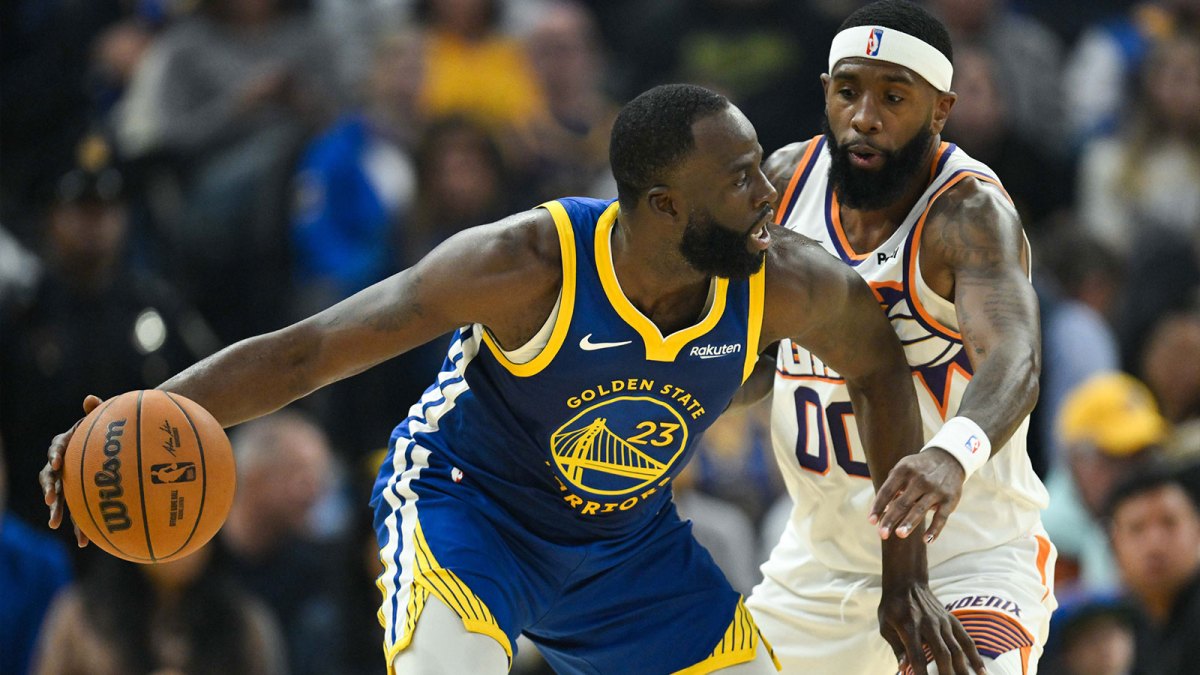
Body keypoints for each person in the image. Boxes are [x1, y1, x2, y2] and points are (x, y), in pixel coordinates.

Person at [41, 83, 980, 675]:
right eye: (740, 181)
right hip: (469, 507)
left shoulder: (784, 277)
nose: (770, 195)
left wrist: (907, 577)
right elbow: (309, 349)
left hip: (624, 545)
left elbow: (880, 370)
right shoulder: (528, 262)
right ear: (663, 208)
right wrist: (151, 413)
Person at [747, 2, 1057, 673]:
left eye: (893, 97)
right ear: (825, 92)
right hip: (820, 566)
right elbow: (752, 356)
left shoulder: (968, 212)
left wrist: (951, 451)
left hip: (968, 559)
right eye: (848, 91)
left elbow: (1017, 357)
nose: (865, 117)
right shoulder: (783, 183)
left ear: (941, 110)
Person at [32, 543, 286, 675]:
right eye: (163, 520)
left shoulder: (246, 620)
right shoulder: (79, 614)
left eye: (190, 520)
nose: (179, 539)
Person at [1105, 467, 1200, 675]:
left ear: (1197, 531)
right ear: (1114, 547)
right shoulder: (1125, 628)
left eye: (1169, 523)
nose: (1154, 544)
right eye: (1137, 528)